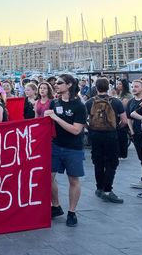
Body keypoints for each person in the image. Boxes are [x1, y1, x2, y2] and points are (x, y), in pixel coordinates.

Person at [44, 74, 87, 227]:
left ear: (69, 85)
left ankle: (72, 212)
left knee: (73, 180)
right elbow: (47, 123)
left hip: (73, 148)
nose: (56, 85)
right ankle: (56, 206)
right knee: (47, 177)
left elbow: (76, 130)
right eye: (56, 83)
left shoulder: (79, 106)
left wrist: (56, 118)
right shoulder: (54, 102)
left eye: (60, 83)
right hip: (55, 145)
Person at [85, 77, 127, 204]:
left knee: (98, 162)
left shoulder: (90, 102)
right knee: (112, 162)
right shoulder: (116, 102)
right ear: (108, 87)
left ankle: (99, 188)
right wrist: (116, 128)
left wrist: (90, 129)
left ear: (96, 88)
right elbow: (124, 120)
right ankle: (108, 190)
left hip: (95, 135)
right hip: (111, 135)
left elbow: (83, 120)